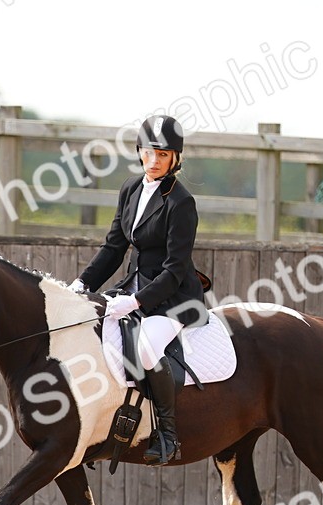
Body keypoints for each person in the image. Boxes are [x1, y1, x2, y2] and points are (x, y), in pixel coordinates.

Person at [72, 115, 208, 466]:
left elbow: (175, 269)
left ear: (175, 158)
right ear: (139, 152)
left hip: (174, 298)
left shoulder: (181, 203)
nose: (154, 160)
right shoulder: (131, 188)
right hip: (132, 285)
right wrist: (82, 284)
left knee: (147, 350)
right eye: (149, 152)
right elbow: (114, 247)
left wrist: (136, 301)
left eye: (163, 155)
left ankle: (168, 435)